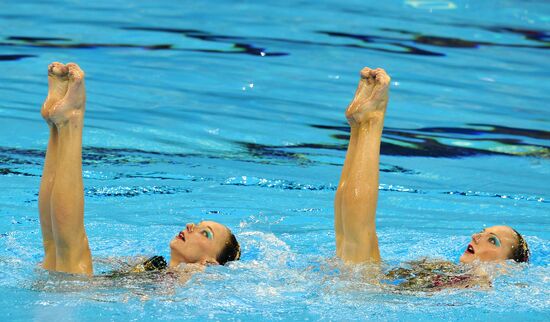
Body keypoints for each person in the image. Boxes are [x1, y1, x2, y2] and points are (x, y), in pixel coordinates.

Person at [334, 67, 530, 288]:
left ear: (506, 267)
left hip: (373, 296)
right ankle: (362, 126)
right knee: (352, 242)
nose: (476, 236)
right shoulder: (457, 274)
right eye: (484, 233)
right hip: (371, 294)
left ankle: (367, 124)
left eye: (492, 240)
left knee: (355, 239)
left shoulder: (481, 283)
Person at [38, 62, 240, 276]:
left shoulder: (189, 281)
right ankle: (58, 127)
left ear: (208, 263)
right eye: (199, 225)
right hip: (67, 292)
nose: (191, 225)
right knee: (55, 247)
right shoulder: (156, 266)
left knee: (69, 248)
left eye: (205, 234)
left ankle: (69, 122)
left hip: (79, 293)